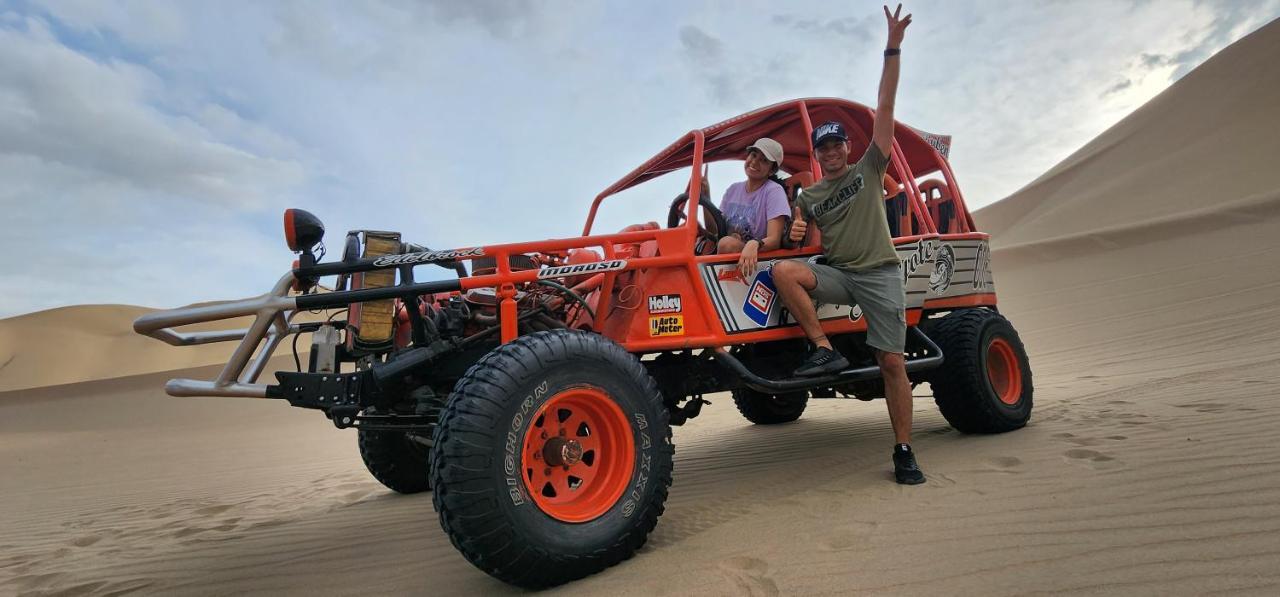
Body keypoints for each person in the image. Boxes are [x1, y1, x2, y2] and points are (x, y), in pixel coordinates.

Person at [772, 4, 924, 485]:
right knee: (784, 273)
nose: (832, 151)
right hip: (840, 274)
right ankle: (823, 348)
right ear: (817, 155)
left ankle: (904, 450)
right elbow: (796, 228)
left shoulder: (870, 168)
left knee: (892, 362)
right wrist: (795, 231)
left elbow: (885, 107)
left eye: (837, 144)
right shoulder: (809, 194)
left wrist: (892, 47)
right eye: (824, 147)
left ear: (847, 148)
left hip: (879, 273)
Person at [702, 138, 790, 277]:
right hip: (729, 256)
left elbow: (774, 240)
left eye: (763, 160)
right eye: (753, 155)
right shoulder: (733, 189)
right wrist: (705, 197)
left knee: (727, 244)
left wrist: (754, 244)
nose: (754, 162)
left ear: (771, 170)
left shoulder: (774, 191)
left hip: (757, 261)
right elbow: (714, 230)